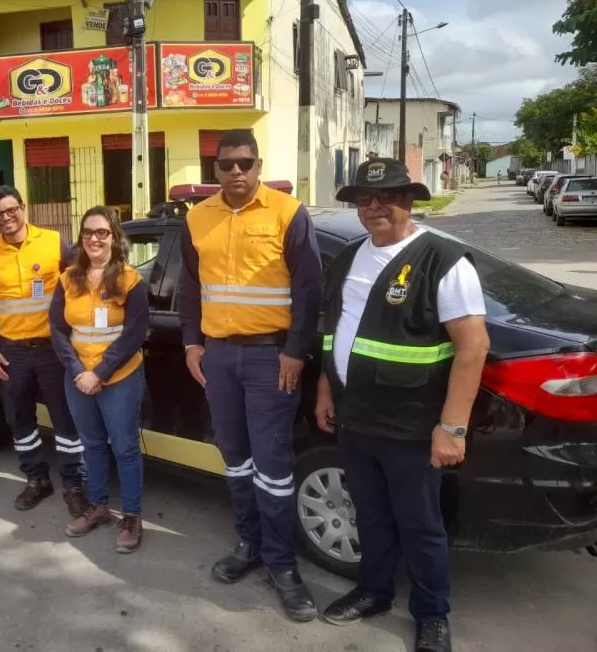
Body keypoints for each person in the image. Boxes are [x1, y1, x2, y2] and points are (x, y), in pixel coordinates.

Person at [316, 158, 489, 652]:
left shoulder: (443, 259)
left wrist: (452, 427)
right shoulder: (350, 256)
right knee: (368, 514)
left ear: (409, 200)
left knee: (420, 525)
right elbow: (334, 332)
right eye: (365, 200)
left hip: (412, 424)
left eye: (387, 196)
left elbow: (473, 347)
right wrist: (327, 390)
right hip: (355, 417)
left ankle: (432, 614)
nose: (375, 207)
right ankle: (372, 591)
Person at [178, 129, 323, 622]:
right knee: (235, 458)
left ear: (258, 165)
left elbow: (309, 290)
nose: (236, 172)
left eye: (245, 163)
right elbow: (190, 287)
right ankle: (249, 544)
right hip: (218, 357)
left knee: (274, 467)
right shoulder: (197, 218)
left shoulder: (287, 212)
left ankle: (283, 566)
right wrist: (192, 342)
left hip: (270, 359)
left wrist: (296, 352)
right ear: (214, 170)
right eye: (226, 165)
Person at [0, 185, 87, 518]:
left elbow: (80, 287)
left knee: (66, 420)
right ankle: (37, 479)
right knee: (19, 419)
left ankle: (74, 485)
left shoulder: (53, 242)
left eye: (12, 210)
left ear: (23, 208)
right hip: (12, 353)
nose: (6, 218)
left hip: (53, 350)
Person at [49, 206, 150, 552]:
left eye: (102, 232)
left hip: (119, 376)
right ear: (81, 237)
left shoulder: (130, 280)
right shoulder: (67, 279)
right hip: (79, 378)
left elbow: (134, 334)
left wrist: (100, 373)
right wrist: (80, 373)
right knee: (91, 445)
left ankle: (133, 516)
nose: (94, 238)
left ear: (114, 238)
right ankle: (99, 506)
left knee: (124, 447)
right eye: (88, 232)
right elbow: (58, 331)